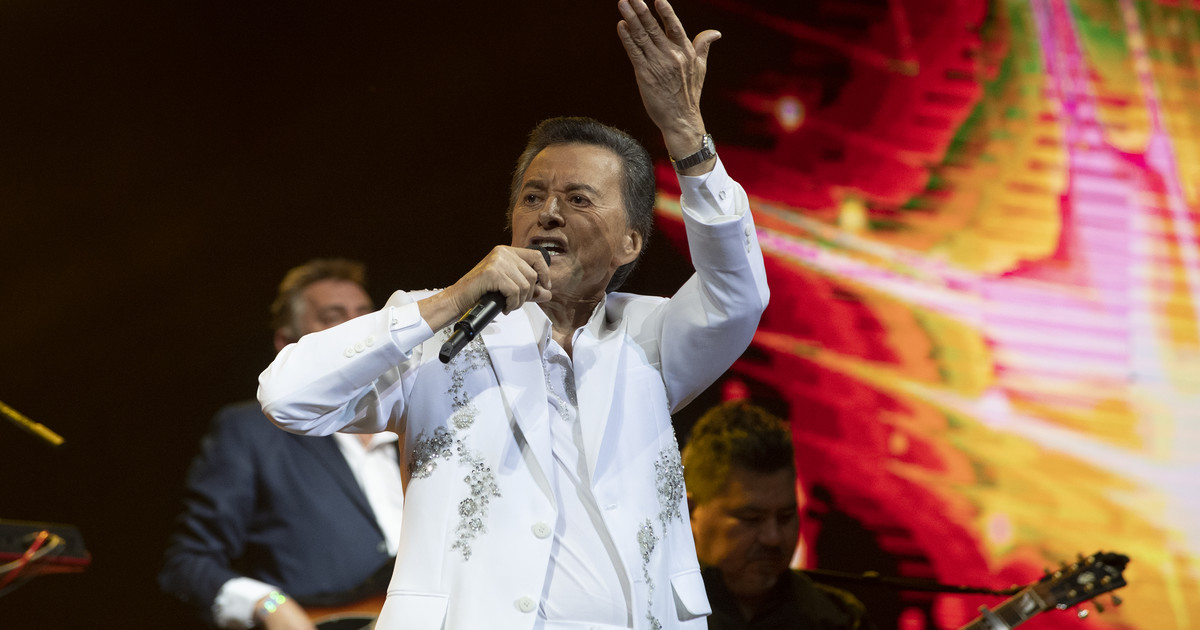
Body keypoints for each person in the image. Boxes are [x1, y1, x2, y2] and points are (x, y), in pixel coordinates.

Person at [256, 0, 769, 628]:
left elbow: (738, 293)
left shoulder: (652, 337)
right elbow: (287, 397)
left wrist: (688, 138)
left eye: (578, 199)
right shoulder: (435, 329)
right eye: (533, 196)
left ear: (631, 242)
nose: (549, 212)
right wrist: (452, 299)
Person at [160, 258, 404, 630]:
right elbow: (189, 563)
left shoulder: (415, 421)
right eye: (332, 317)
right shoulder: (249, 432)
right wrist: (269, 604)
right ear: (286, 345)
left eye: (365, 315)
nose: (357, 328)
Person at [682, 400, 875, 630]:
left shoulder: (840, 620)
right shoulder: (653, 610)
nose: (772, 538)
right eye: (751, 518)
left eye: (785, 516)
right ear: (689, 513)